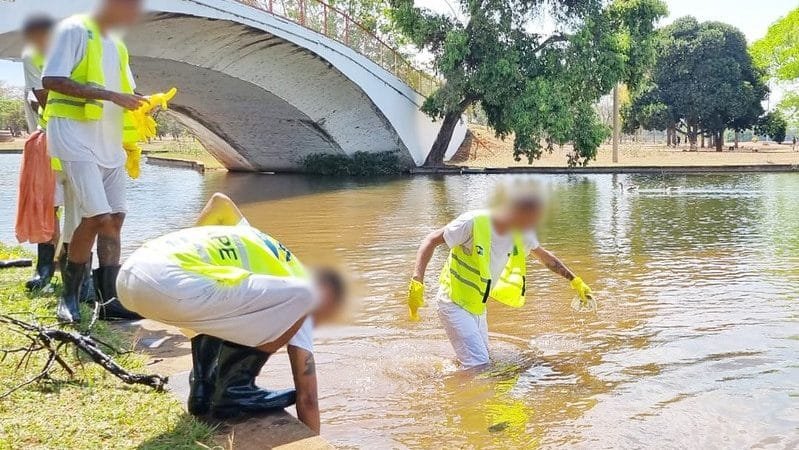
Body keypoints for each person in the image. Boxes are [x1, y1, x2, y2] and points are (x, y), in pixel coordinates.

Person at [116, 193, 346, 431]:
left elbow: (219, 201)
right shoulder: (302, 290)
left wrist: (192, 256)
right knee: (304, 296)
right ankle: (233, 388)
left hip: (131, 276)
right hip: (171, 285)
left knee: (221, 309)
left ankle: (202, 388)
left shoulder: (260, 243)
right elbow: (308, 397)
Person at [42, 0, 148, 323]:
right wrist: (110, 96)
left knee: (115, 218)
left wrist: (144, 105)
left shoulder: (118, 44)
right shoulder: (74, 29)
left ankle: (109, 300)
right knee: (96, 217)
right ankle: (69, 298)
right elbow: (51, 79)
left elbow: (125, 91)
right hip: (75, 136)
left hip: (109, 141)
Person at [408, 185, 594, 368]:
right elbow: (431, 240)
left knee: (483, 359)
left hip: (477, 306)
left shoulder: (520, 232)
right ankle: (445, 387)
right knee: (479, 365)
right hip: (453, 302)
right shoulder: (473, 222)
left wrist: (575, 281)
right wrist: (417, 281)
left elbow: (546, 259)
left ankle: (443, 371)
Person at [16, 14, 60, 292]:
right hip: (49, 138)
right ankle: (44, 267)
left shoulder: (83, 50)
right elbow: (41, 96)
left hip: (84, 137)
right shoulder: (34, 54)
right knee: (48, 203)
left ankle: (78, 272)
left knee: (85, 206)